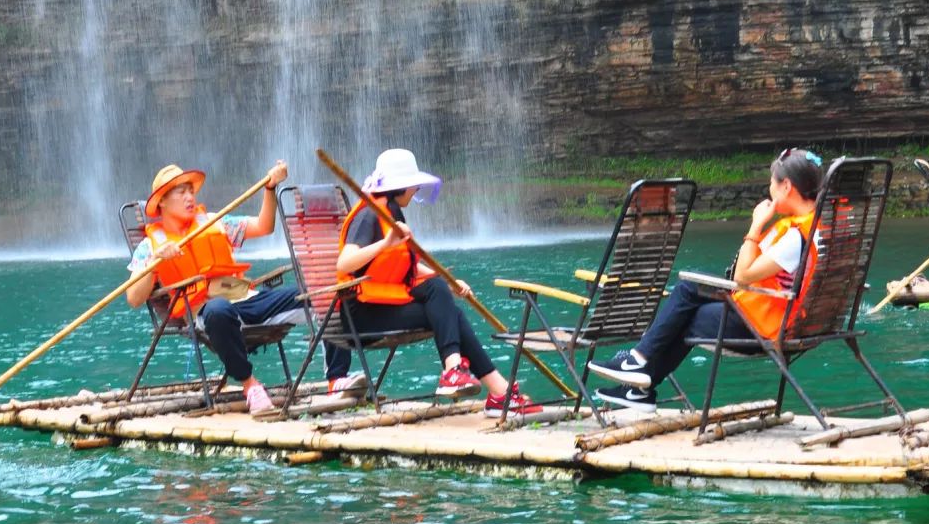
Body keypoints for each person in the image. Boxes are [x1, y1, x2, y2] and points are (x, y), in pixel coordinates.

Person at [587, 148, 825, 416]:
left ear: (786, 186)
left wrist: (756, 226)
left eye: (772, 182)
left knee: (687, 306)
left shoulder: (795, 237)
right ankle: (638, 385)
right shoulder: (822, 226)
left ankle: (637, 366)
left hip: (765, 326)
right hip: (793, 318)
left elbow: (742, 276)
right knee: (689, 294)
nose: (769, 189)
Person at [127, 161, 360, 415]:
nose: (189, 197)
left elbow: (264, 226)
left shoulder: (215, 222)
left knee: (326, 293)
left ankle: (337, 380)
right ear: (161, 201)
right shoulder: (150, 247)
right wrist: (153, 263)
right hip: (206, 312)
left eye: (191, 191)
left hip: (247, 298)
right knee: (218, 311)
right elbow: (134, 298)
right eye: (180, 192)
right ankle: (251, 387)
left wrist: (270, 188)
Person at [336, 147, 542, 416]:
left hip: (384, 306)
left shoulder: (393, 213)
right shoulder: (368, 215)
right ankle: (486, 387)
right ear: (401, 186)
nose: (417, 188)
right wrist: (386, 243)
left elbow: (404, 265)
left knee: (440, 293)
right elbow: (344, 263)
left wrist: (449, 281)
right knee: (449, 311)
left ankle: (476, 380)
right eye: (413, 184)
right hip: (360, 315)